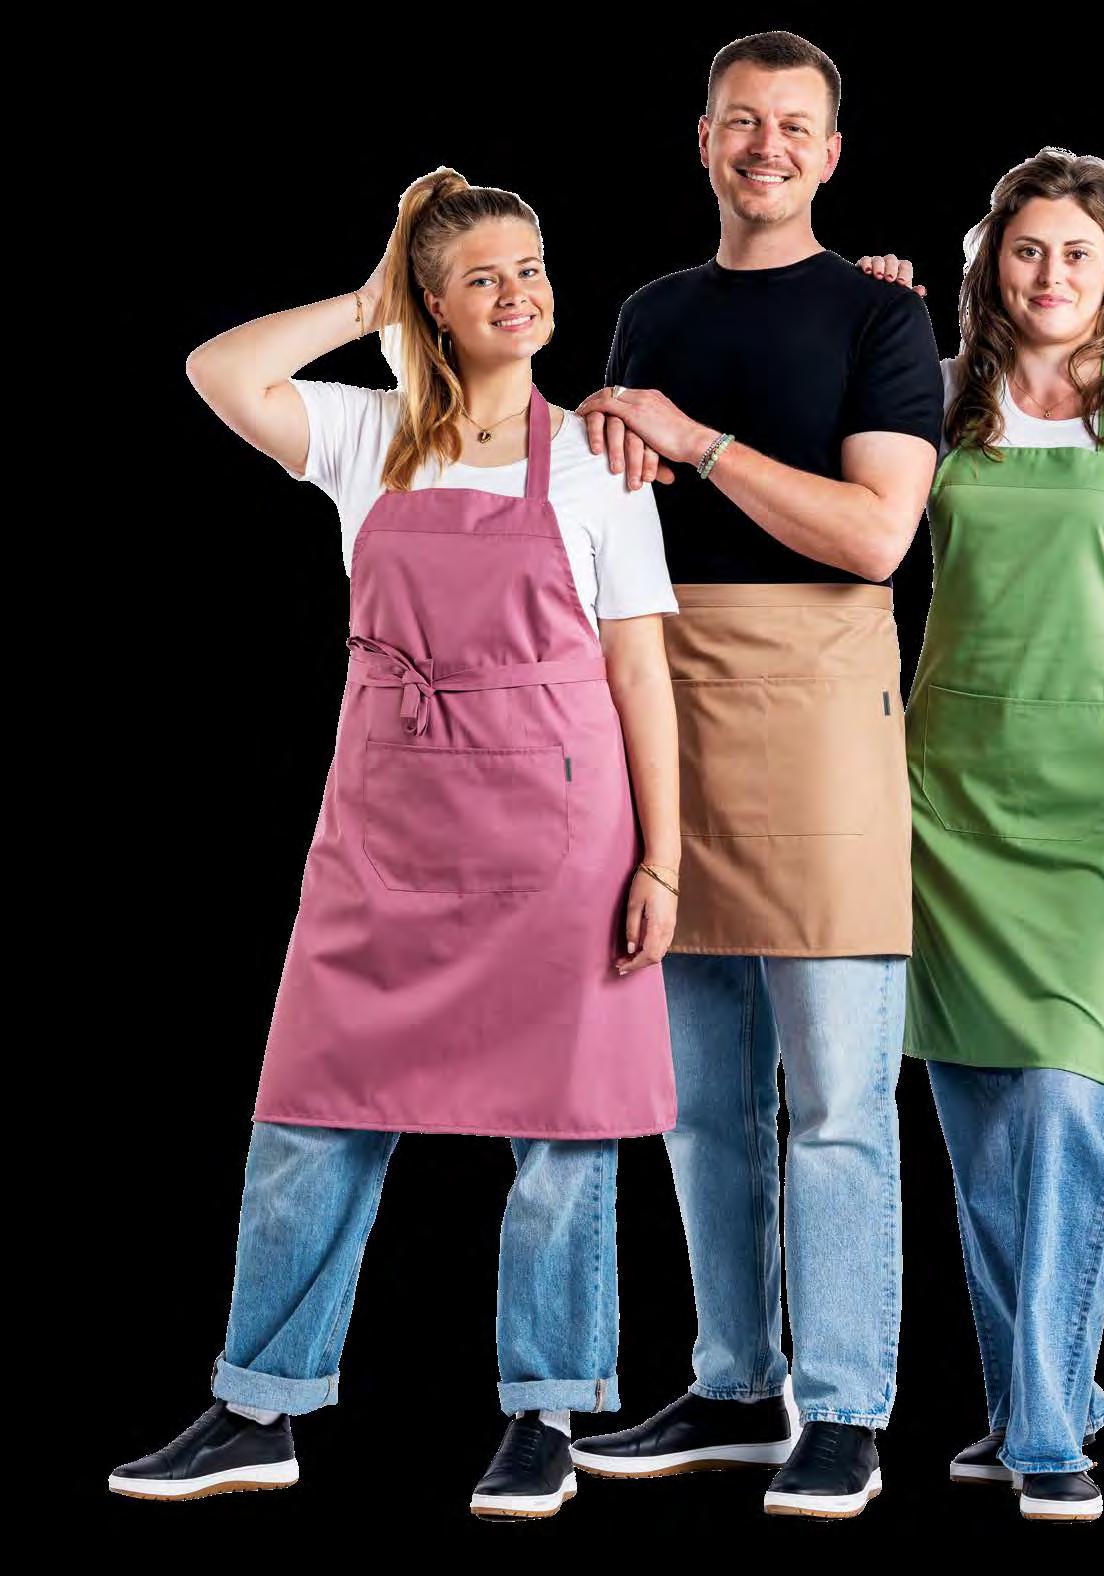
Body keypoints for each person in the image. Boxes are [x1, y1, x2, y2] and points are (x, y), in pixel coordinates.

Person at [107, 168, 684, 1520]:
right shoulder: (368, 435)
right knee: (310, 1113)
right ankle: (258, 1406)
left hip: (561, 833)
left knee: (564, 1137)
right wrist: (367, 299)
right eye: (481, 277)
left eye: (530, 268)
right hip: (386, 829)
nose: (517, 294)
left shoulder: (594, 461)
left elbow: (641, 674)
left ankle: (545, 1417)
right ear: (431, 304)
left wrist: (662, 859)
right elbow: (218, 370)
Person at [560, 32, 944, 1518]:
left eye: (793, 125)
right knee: (697, 1100)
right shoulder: (649, 311)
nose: (764, 145)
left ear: (830, 154)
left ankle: (844, 1409)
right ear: (704, 140)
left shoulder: (879, 315)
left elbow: (875, 536)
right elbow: (613, 514)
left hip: (823, 708)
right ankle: (732, 1385)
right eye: (740, 121)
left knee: (837, 1098)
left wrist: (693, 441)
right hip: (662, 699)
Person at [856, 149, 1104, 1523]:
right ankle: (1033, 1407)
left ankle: (1048, 1437)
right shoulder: (934, 397)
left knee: (1069, 1113)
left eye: (1075, 253)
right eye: (1026, 250)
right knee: (981, 1127)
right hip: (949, 806)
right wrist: (854, 313)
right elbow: (827, 483)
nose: (1049, 275)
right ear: (991, 265)